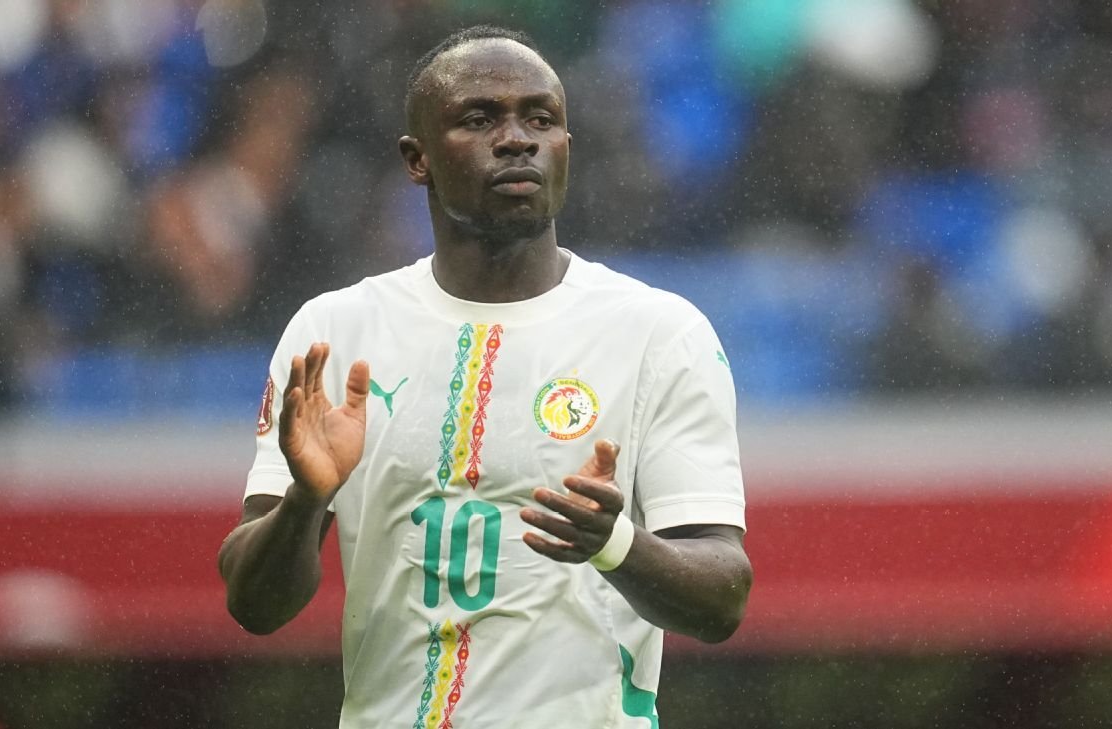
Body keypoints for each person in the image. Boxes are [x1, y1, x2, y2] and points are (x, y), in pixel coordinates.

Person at [218, 25, 752, 728]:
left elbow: (723, 598)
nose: (517, 138)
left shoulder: (657, 334)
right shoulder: (334, 334)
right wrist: (306, 502)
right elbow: (255, 606)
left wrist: (615, 542)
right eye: (479, 118)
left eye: (541, 118)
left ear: (567, 148)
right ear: (418, 159)